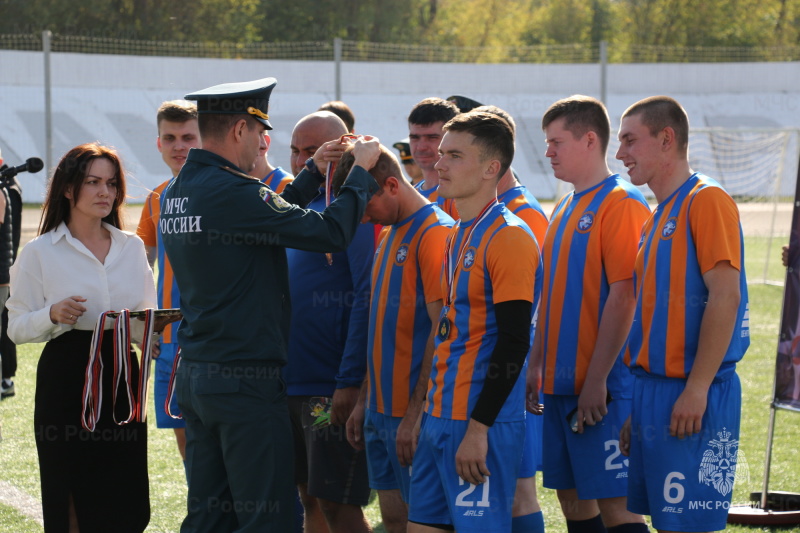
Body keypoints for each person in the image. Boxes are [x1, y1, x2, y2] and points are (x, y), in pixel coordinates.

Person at [159, 77, 380, 533]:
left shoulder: (181, 189)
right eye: (261, 132)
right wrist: (359, 174)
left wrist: (312, 174)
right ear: (240, 129)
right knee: (269, 518)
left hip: (200, 375)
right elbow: (329, 233)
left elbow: (260, 219)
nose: (264, 144)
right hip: (244, 382)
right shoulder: (232, 191)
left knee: (209, 514)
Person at [7, 142, 166, 532]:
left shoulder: (131, 249)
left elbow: (144, 319)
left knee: (123, 487)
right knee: (71, 486)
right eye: (93, 182)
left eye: (111, 184)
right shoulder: (40, 251)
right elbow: (15, 327)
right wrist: (52, 314)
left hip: (122, 376)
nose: (104, 193)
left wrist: (150, 336)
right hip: (67, 374)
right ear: (66, 189)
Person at [616, 96, 750, 533]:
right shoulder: (657, 215)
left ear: (667, 139)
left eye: (630, 141)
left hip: (695, 393)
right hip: (655, 392)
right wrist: (641, 405)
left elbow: (724, 298)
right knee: (665, 523)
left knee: (688, 527)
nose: (620, 154)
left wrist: (696, 389)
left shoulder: (706, 200)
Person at [408, 111, 542, 533]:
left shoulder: (510, 236)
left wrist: (479, 428)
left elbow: (514, 342)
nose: (438, 163)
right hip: (439, 417)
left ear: (490, 169)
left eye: (454, 155)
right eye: (441, 153)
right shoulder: (459, 233)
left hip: (478, 423)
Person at [526, 95, 650, 533]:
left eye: (556, 142)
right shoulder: (562, 207)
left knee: (618, 506)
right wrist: (536, 363)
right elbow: (551, 297)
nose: (548, 152)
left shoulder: (622, 203)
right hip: (560, 387)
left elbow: (626, 298)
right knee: (573, 500)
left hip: (604, 388)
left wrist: (597, 380)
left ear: (589, 140)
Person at [335, 143, 454, 533]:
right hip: (380, 411)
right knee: (394, 520)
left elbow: (442, 332)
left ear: (390, 185)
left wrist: (416, 412)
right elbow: (383, 326)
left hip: (412, 416)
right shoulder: (388, 232)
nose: (362, 217)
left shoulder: (435, 232)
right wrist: (366, 399)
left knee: (426, 522)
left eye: (364, 206)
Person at [285, 111, 375, 533]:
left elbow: (365, 297)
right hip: (287, 382)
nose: (305, 159)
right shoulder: (290, 208)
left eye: (314, 150)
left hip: (326, 389)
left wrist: (349, 379)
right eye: (297, 150)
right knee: (307, 494)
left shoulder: (352, 210)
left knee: (337, 500)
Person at [475, 104, 548, 533]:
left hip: (509, 379)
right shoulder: (474, 215)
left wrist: (530, 368)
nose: (437, 158)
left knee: (520, 491)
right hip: (479, 381)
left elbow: (529, 313)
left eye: (453, 151)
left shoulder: (522, 216)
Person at [136, 99, 200, 466]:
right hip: (170, 342)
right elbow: (143, 266)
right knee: (186, 443)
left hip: (212, 338)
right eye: (170, 137)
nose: (179, 146)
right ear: (158, 143)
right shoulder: (156, 198)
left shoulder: (225, 192)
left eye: (188, 137)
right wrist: (148, 325)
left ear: (203, 139)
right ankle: (204, 514)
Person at [407, 97, 459, 213]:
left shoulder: (463, 196)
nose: (421, 146)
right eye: (415, 138)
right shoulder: (409, 196)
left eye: (432, 138)